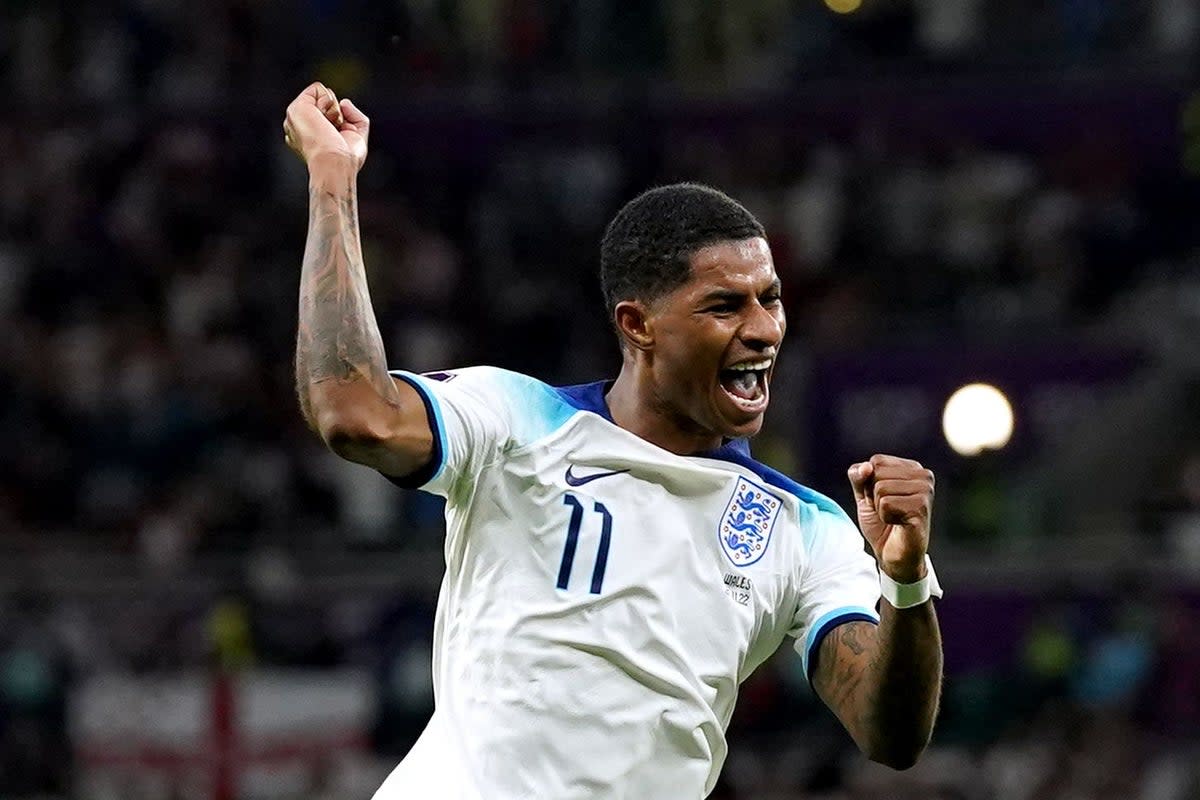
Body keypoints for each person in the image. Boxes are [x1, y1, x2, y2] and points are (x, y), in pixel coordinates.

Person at [284, 82, 944, 798]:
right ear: (638, 326)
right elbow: (353, 412)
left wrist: (904, 582)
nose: (763, 328)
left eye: (771, 298)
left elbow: (891, 736)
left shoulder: (803, 528)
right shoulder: (516, 421)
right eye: (725, 305)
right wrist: (332, 179)